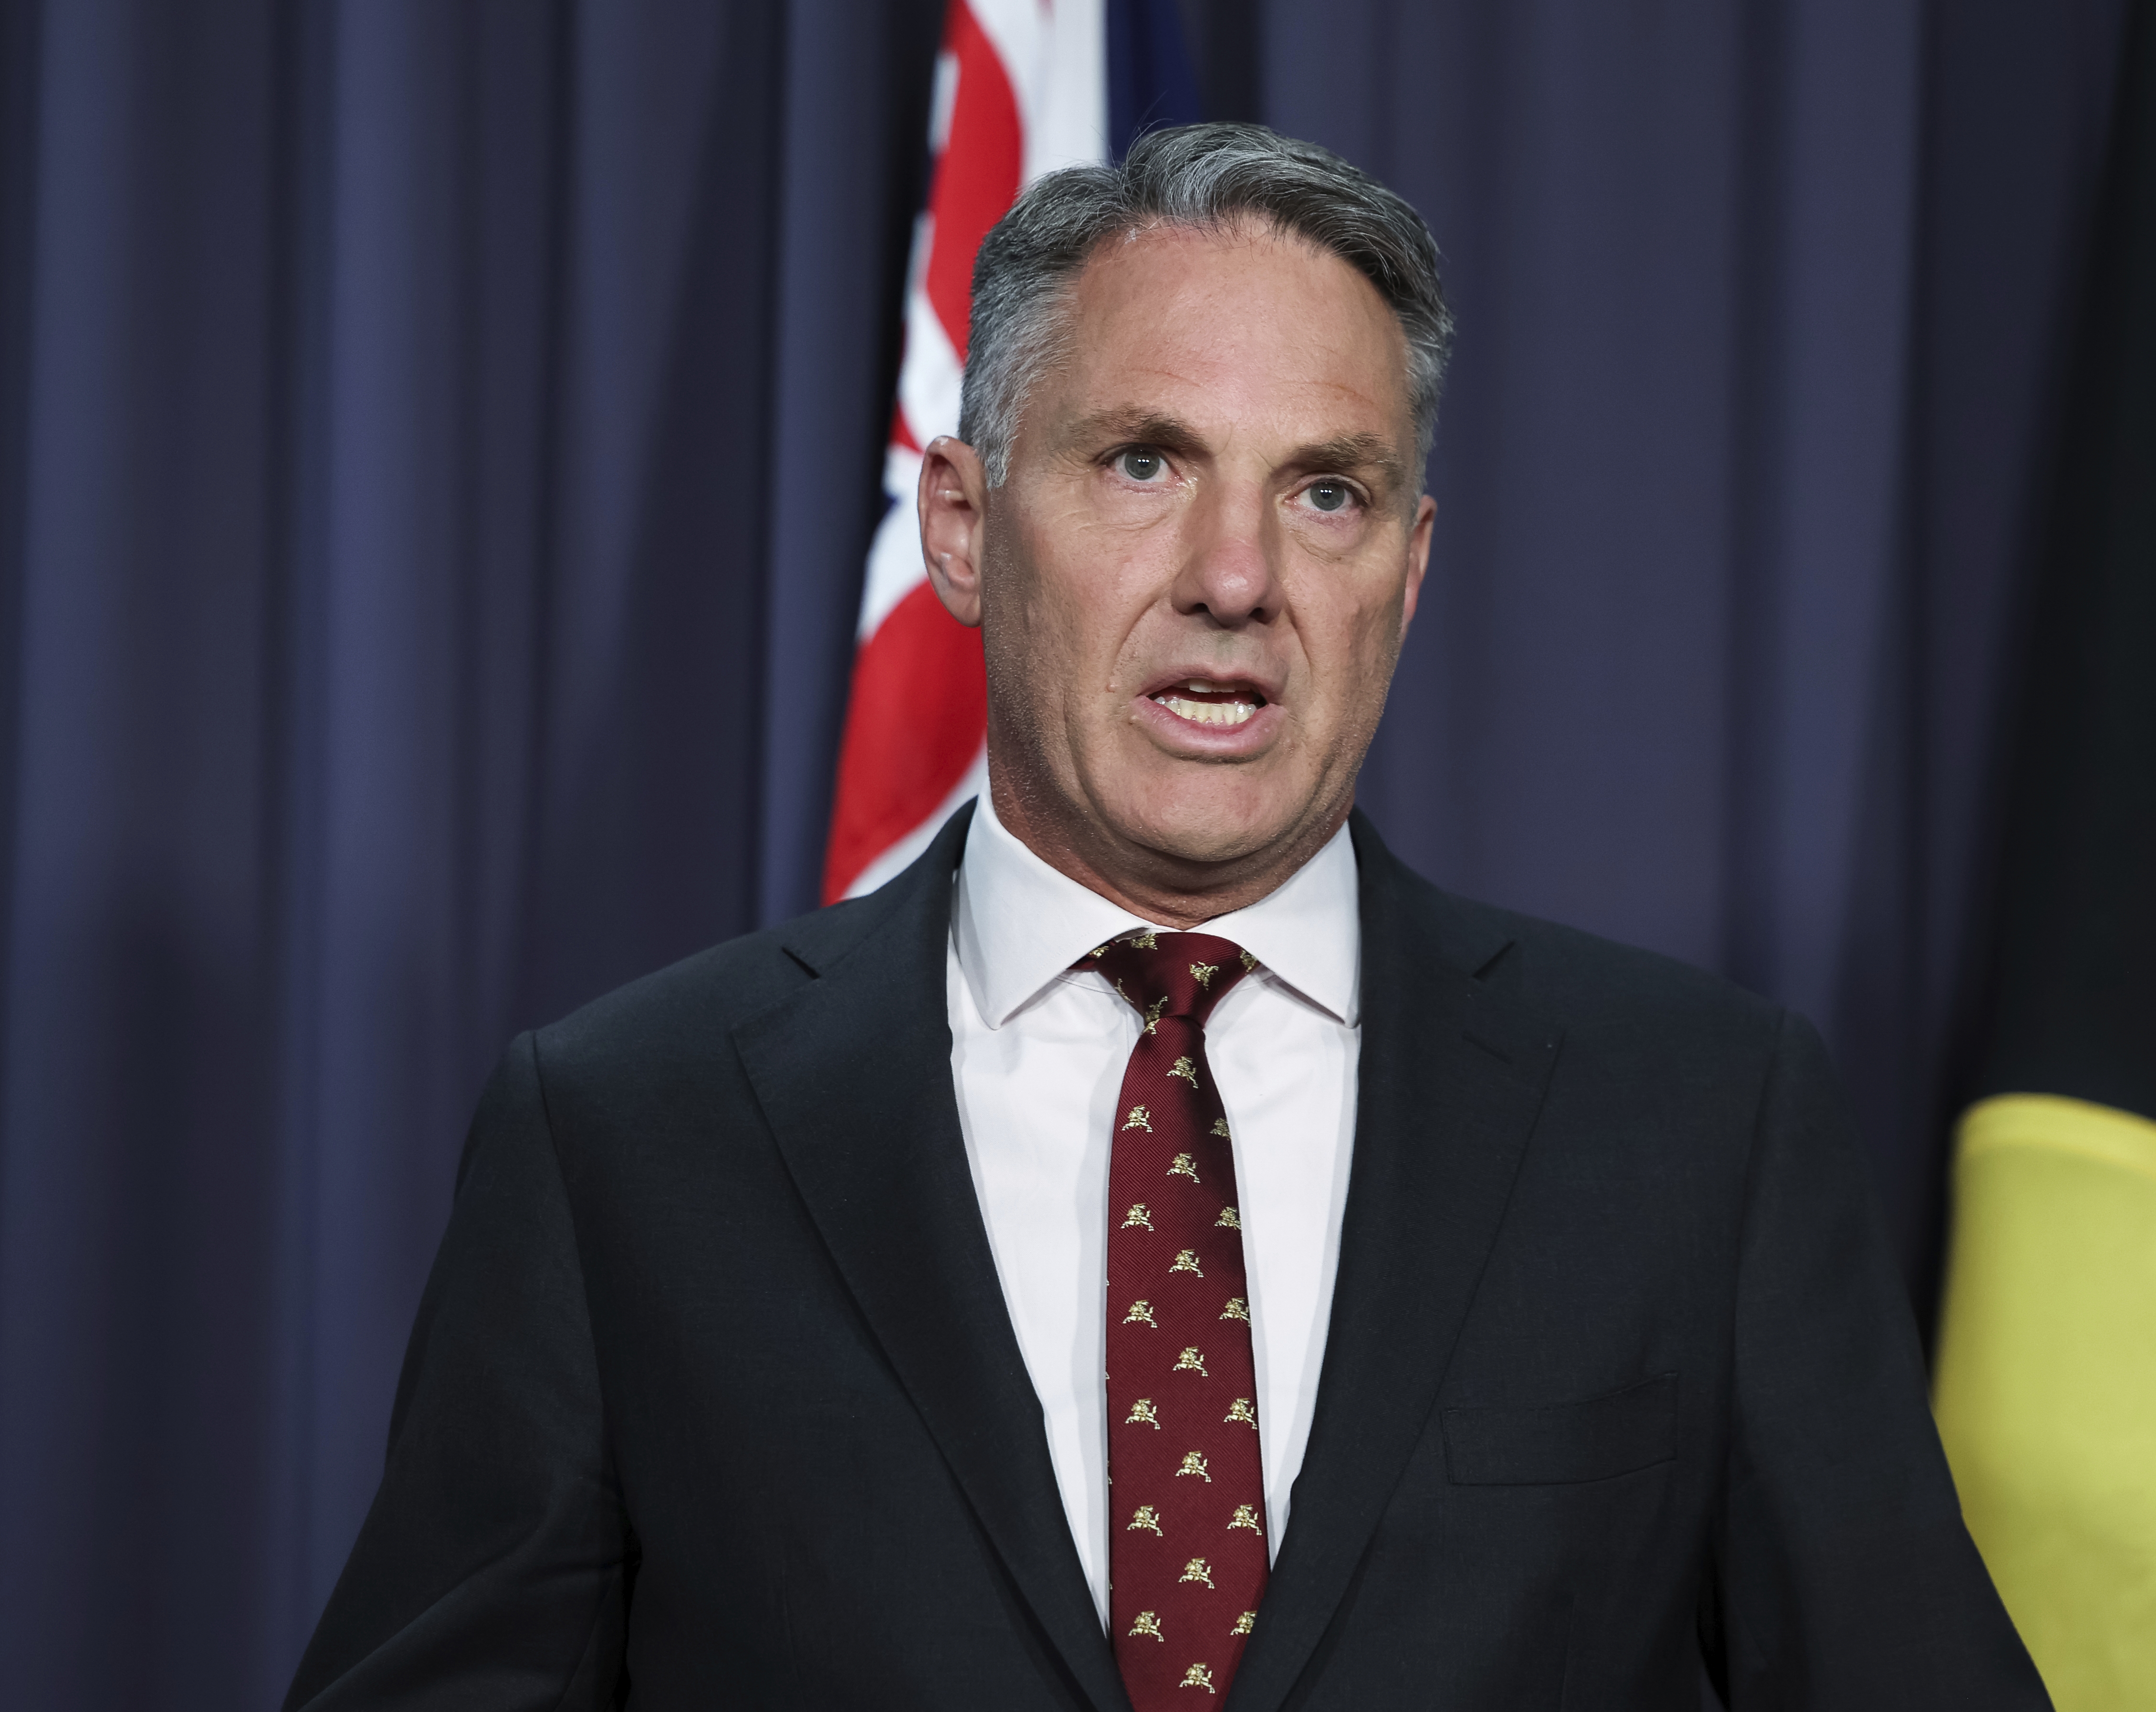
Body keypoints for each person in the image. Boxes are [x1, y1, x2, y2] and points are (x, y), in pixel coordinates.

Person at [284, 124, 2048, 1711]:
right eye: (1142, 462)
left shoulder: (1697, 1125)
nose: (1234, 576)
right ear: (965, 531)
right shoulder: (624, 1138)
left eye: (1326, 491)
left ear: (1408, 576)